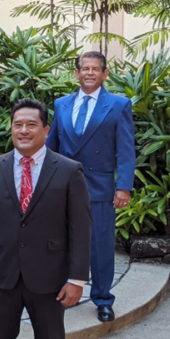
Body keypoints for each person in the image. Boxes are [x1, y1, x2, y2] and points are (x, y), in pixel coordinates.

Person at [0, 98, 92, 339]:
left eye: (31, 124)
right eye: (18, 124)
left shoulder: (69, 170)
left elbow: (81, 228)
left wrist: (76, 279)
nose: (24, 130)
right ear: (11, 129)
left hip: (49, 279)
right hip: (2, 277)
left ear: (46, 130)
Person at [46, 51, 135, 323]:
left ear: (105, 74)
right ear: (76, 73)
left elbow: (126, 150)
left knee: (100, 246)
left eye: (95, 69)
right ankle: (65, 293)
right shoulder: (61, 104)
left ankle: (103, 298)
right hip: (64, 186)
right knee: (62, 243)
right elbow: (51, 147)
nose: (89, 73)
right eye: (85, 68)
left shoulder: (119, 105)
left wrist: (123, 188)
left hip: (100, 186)